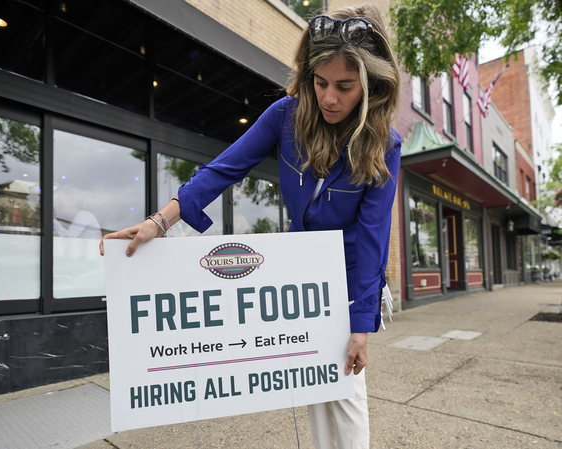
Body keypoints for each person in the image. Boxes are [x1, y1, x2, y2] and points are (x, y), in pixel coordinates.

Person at [100, 4, 400, 448]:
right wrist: (159, 222)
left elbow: (374, 236)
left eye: (344, 86)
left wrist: (360, 327)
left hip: (351, 277)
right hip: (303, 273)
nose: (329, 98)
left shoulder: (383, 143)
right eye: (320, 83)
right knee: (316, 386)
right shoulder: (286, 115)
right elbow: (224, 169)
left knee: (347, 390)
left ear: (371, 86)